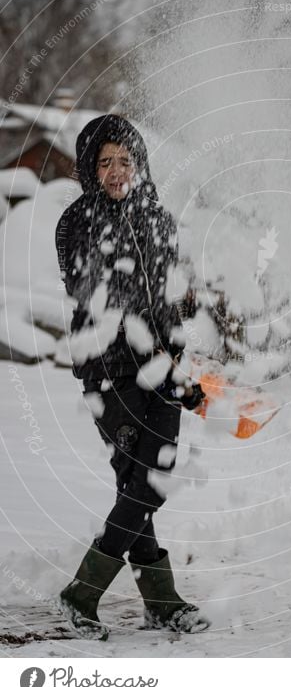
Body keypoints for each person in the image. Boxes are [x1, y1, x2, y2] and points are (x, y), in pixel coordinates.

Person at [55, 114, 209, 640]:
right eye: (105, 162)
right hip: (110, 371)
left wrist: (181, 353)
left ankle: (159, 603)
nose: (117, 171)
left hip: (162, 370)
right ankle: (85, 594)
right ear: (88, 169)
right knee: (142, 487)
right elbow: (96, 297)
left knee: (146, 481)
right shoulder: (76, 223)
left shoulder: (159, 219)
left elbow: (168, 301)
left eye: (125, 160)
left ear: (140, 164)